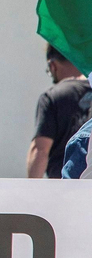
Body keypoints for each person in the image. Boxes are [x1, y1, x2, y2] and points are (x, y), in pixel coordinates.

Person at [28, 43, 90, 178]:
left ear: (53, 66)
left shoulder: (52, 97)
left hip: (62, 189)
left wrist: (30, 195)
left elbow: (40, 151)